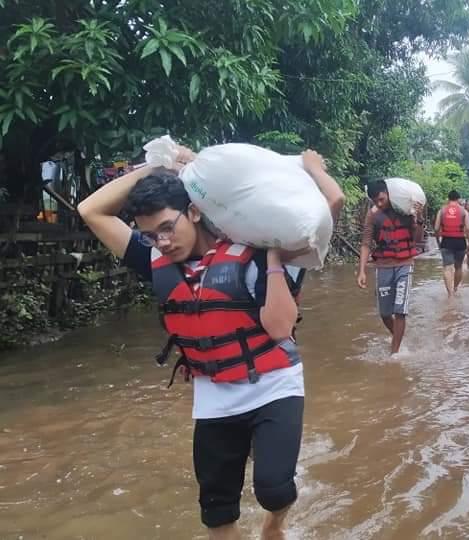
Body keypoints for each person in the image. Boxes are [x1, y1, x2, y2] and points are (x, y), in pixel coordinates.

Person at [77, 146, 345, 540]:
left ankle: (274, 526)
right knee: (217, 515)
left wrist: (313, 170)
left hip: (274, 384)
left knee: (273, 490)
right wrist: (157, 166)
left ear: (196, 212)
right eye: (150, 235)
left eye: (168, 227)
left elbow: (329, 208)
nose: (161, 241)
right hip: (214, 395)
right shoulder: (155, 265)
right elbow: (91, 211)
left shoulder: (258, 253)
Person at [357, 180, 425, 355]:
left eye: (381, 199)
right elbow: (366, 243)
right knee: (385, 313)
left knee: (400, 310)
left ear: (389, 194)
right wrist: (362, 270)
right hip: (383, 266)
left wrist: (418, 218)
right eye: (375, 201)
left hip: (404, 264)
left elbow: (417, 240)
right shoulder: (373, 215)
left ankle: (394, 354)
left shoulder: (405, 211)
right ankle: (399, 338)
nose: (379, 204)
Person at [434, 190, 469, 296]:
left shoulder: (441, 211)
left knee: (447, 267)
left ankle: (450, 293)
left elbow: (436, 228)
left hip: (446, 241)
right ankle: (455, 288)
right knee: (458, 267)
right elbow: (468, 229)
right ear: (458, 199)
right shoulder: (464, 211)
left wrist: (438, 241)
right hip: (460, 242)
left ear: (448, 198)